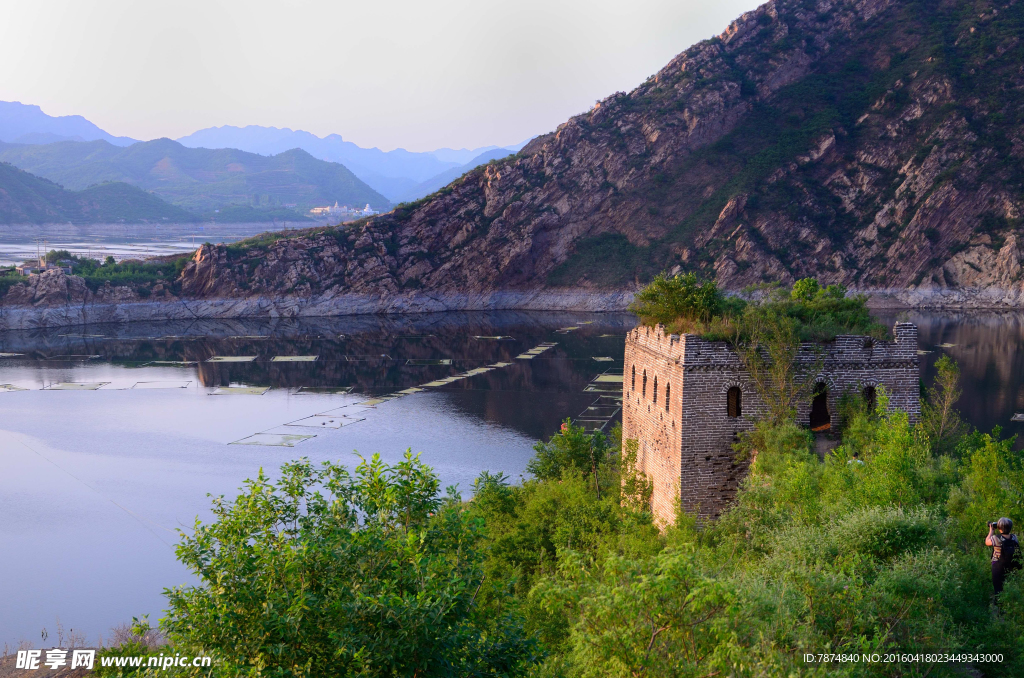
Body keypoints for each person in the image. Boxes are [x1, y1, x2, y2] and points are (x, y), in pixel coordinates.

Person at [986, 517, 1020, 599]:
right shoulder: (1014, 537)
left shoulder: (996, 538)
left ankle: (1000, 607)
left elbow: (987, 542)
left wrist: (991, 531)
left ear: (999, 528)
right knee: (1009, 587)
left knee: (998, 588)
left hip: (998, 566)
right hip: (1011, 565)